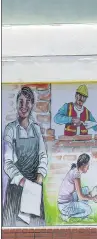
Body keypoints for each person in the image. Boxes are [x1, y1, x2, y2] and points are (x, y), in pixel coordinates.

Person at [2, 86, 48, 226]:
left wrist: (40, 176)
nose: (24, 106)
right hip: (16, 188)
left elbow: (43, 155)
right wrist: (22, 182)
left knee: (36, 231)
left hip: (34, 187)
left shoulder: (36, 129)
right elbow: (7, 162)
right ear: (16, 104)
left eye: (28, 102)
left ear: (32, 105)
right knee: (12, 230)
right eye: (20, 102)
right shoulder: (10, 129)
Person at [58, 153, 97, 221]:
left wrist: (90, 196)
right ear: (83, 165)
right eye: (88, 166)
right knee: (88, 210)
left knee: (86, 189)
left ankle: (82, 205)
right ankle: (68, 217)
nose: (88, 168)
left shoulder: (75, 170)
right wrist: (92, 198)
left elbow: (79, 193)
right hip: (65, 206)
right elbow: (80, 196)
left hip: (67, 200)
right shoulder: (76, 174)